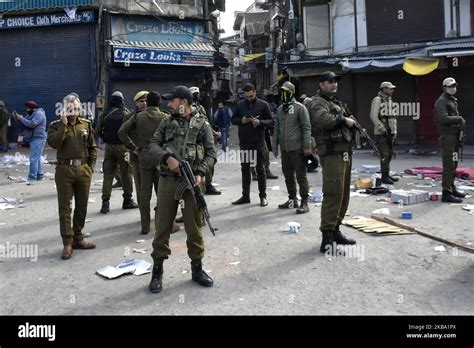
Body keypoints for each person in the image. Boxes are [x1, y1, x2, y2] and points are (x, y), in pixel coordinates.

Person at [147, 86, 216, 293]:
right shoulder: (166, 122)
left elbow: (211, 154)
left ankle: (197, 269)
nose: (168, 104)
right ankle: (157, 272)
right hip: (168, 181)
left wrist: (200, 173)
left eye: (172, 101)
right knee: (162, 227)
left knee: (194, 228)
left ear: (183, 102)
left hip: (191, 183)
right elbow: (153, 145)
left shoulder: (202, 125)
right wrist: (167, 158)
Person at [307, 71, 356, 255]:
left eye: (335, 81)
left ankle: (335, 231)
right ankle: (326, 238)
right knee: (333, 193)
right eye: (329, 81)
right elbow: (324, 120)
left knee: (343, 194)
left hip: (344, 151)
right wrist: (345, 121)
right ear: (321, 84)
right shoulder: (317, 102)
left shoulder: (337, 102)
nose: (334, 84)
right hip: (331, 153)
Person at [118, 91, 180, 235]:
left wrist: (134, 147)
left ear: (148, 102)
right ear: (159, 103)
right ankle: (167, 224)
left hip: (144, 156)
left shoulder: (138, 117)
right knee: (162, 192)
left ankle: (145, 225)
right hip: (161, 157)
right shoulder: (165, 117)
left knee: (144, 192)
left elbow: (121, 132)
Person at [47, 94, 97, 260]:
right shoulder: (55, 126)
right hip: (64, 170)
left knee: (82, 206)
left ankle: (78, 238)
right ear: (64, 109)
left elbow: (93, 147)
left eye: (76, 108)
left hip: (83, 169)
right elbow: (54, 143)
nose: (73, 112)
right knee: (65, 208)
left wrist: (90, 167)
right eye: (70, 109)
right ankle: (67, 243)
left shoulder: (86, 125)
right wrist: (63, 126)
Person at [231, 83, 274, 207]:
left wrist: (259, 122)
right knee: (245, 170)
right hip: (245, 143)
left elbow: (271, 121)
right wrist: (242, 121)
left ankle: (263, 197)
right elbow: (233, 120)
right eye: (247, 97)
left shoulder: (263, 104)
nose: (249, 98)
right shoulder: (240, 105)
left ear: (255, 92)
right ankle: (245, 196)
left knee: (261, 170)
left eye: (251, 96)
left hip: (258, 142)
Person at [273, 82, 312, 214]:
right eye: (282, 91)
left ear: (291, 93)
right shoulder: (279, 110)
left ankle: (304, 202)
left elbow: (306, 128)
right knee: (288, 175)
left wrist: (307, 146)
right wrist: (275, 146)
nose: (283, 94)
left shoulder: (300, 108)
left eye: (286, 92)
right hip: (285, 149)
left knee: (301, 176)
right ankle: (292, 200)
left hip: (298, 148)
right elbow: (276, 129)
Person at [96, 91, 138, 213]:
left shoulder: (105, 114)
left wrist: (105, 139)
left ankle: (105, 203)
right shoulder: (126, 113)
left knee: (108, 174)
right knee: (126, 173)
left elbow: (97, 131)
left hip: (109, 148)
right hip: (123, 147)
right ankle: (127, 200)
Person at [434, 77, 466, 203]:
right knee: (449, 165)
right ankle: (446, 192)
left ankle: (452, 188)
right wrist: (458, 119)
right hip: (447, 137)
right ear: (444, 88)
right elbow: (443, 119)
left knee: (454, 164)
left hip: (454, 136)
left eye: (454, 86)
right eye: (450, 86)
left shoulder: (452, 100)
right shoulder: (441, 101)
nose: (453, 88)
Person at [190, 86, 221, 195]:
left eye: (197, 94)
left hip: (204, 139)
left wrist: (213, 133)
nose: (197, 96)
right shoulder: (189, 108)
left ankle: (208, 185)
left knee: (209, 162)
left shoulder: (201, 107)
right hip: (195, 141)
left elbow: (205, 123)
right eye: (194, 94)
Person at [369, 81, 398, 185]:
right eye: (390, 89)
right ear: (384, 89)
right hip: (382, 132)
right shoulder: (378, 100)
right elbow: (373, 115)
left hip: (390, 132)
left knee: (389, 154)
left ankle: (387, 174)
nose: (392, 90)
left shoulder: (389, 100)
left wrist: (394, 131)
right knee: (384, 155)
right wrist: (381, 128)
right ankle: (384, 176)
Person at [12, 101, 47, 181]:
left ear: (32, 108)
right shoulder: (32, 114)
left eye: (28, 108)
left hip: (38, 139)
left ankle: (32, 177)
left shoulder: (39, 114)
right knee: (37, 158)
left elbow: (31, 124)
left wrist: (22, 118)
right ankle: (39, 175)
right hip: (34, 139)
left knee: (33, 159)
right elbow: (25, 123)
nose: (27, 110)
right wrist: (18, 118)